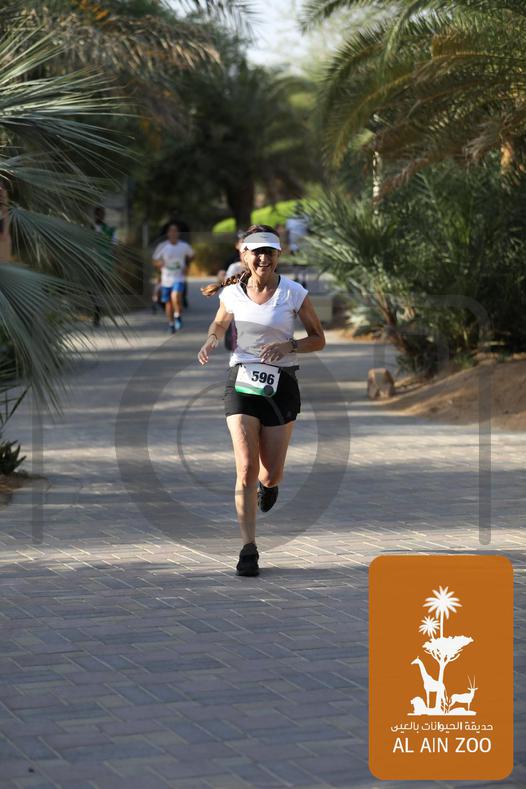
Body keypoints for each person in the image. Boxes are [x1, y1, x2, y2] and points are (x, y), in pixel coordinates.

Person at [198, 224, 325, 577]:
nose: (263, 258)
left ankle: (269, 487)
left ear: (278, 255)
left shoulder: (293, 293)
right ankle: (248, 548)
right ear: (244, 255)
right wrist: (211, 339)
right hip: (241, 382)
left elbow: (318, 338)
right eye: (256, 252)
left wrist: (289, 345)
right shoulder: (232, 294)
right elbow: (219, 324)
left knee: (270, 473)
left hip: (281, 385)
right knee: (246, 468)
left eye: (269, 251)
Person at [152, 222, 194, 333]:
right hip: (166, 279)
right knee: (168, 303)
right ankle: (171, 324)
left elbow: (192, 255)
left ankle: (177, 316)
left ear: (178, 233)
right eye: (171, 231)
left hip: (179, 277)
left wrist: (187, 266)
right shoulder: (162, 246)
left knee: (175, 297)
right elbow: (155, 260)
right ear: (168, 233)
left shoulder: (184, 246)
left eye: (175, 231)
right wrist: (159, 264)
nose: (173, 233)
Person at [91, 206, 117, 327]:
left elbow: (114, 247)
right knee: (91, 290)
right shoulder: (88, 229)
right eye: (98, 214)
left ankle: (97, 313)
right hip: (90, 263)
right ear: (94, 215)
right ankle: (96, 309)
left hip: (103, 264)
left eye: (102, 214)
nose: (100, 216)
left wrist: (112, 262)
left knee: (99, 289)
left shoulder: (109, 230)